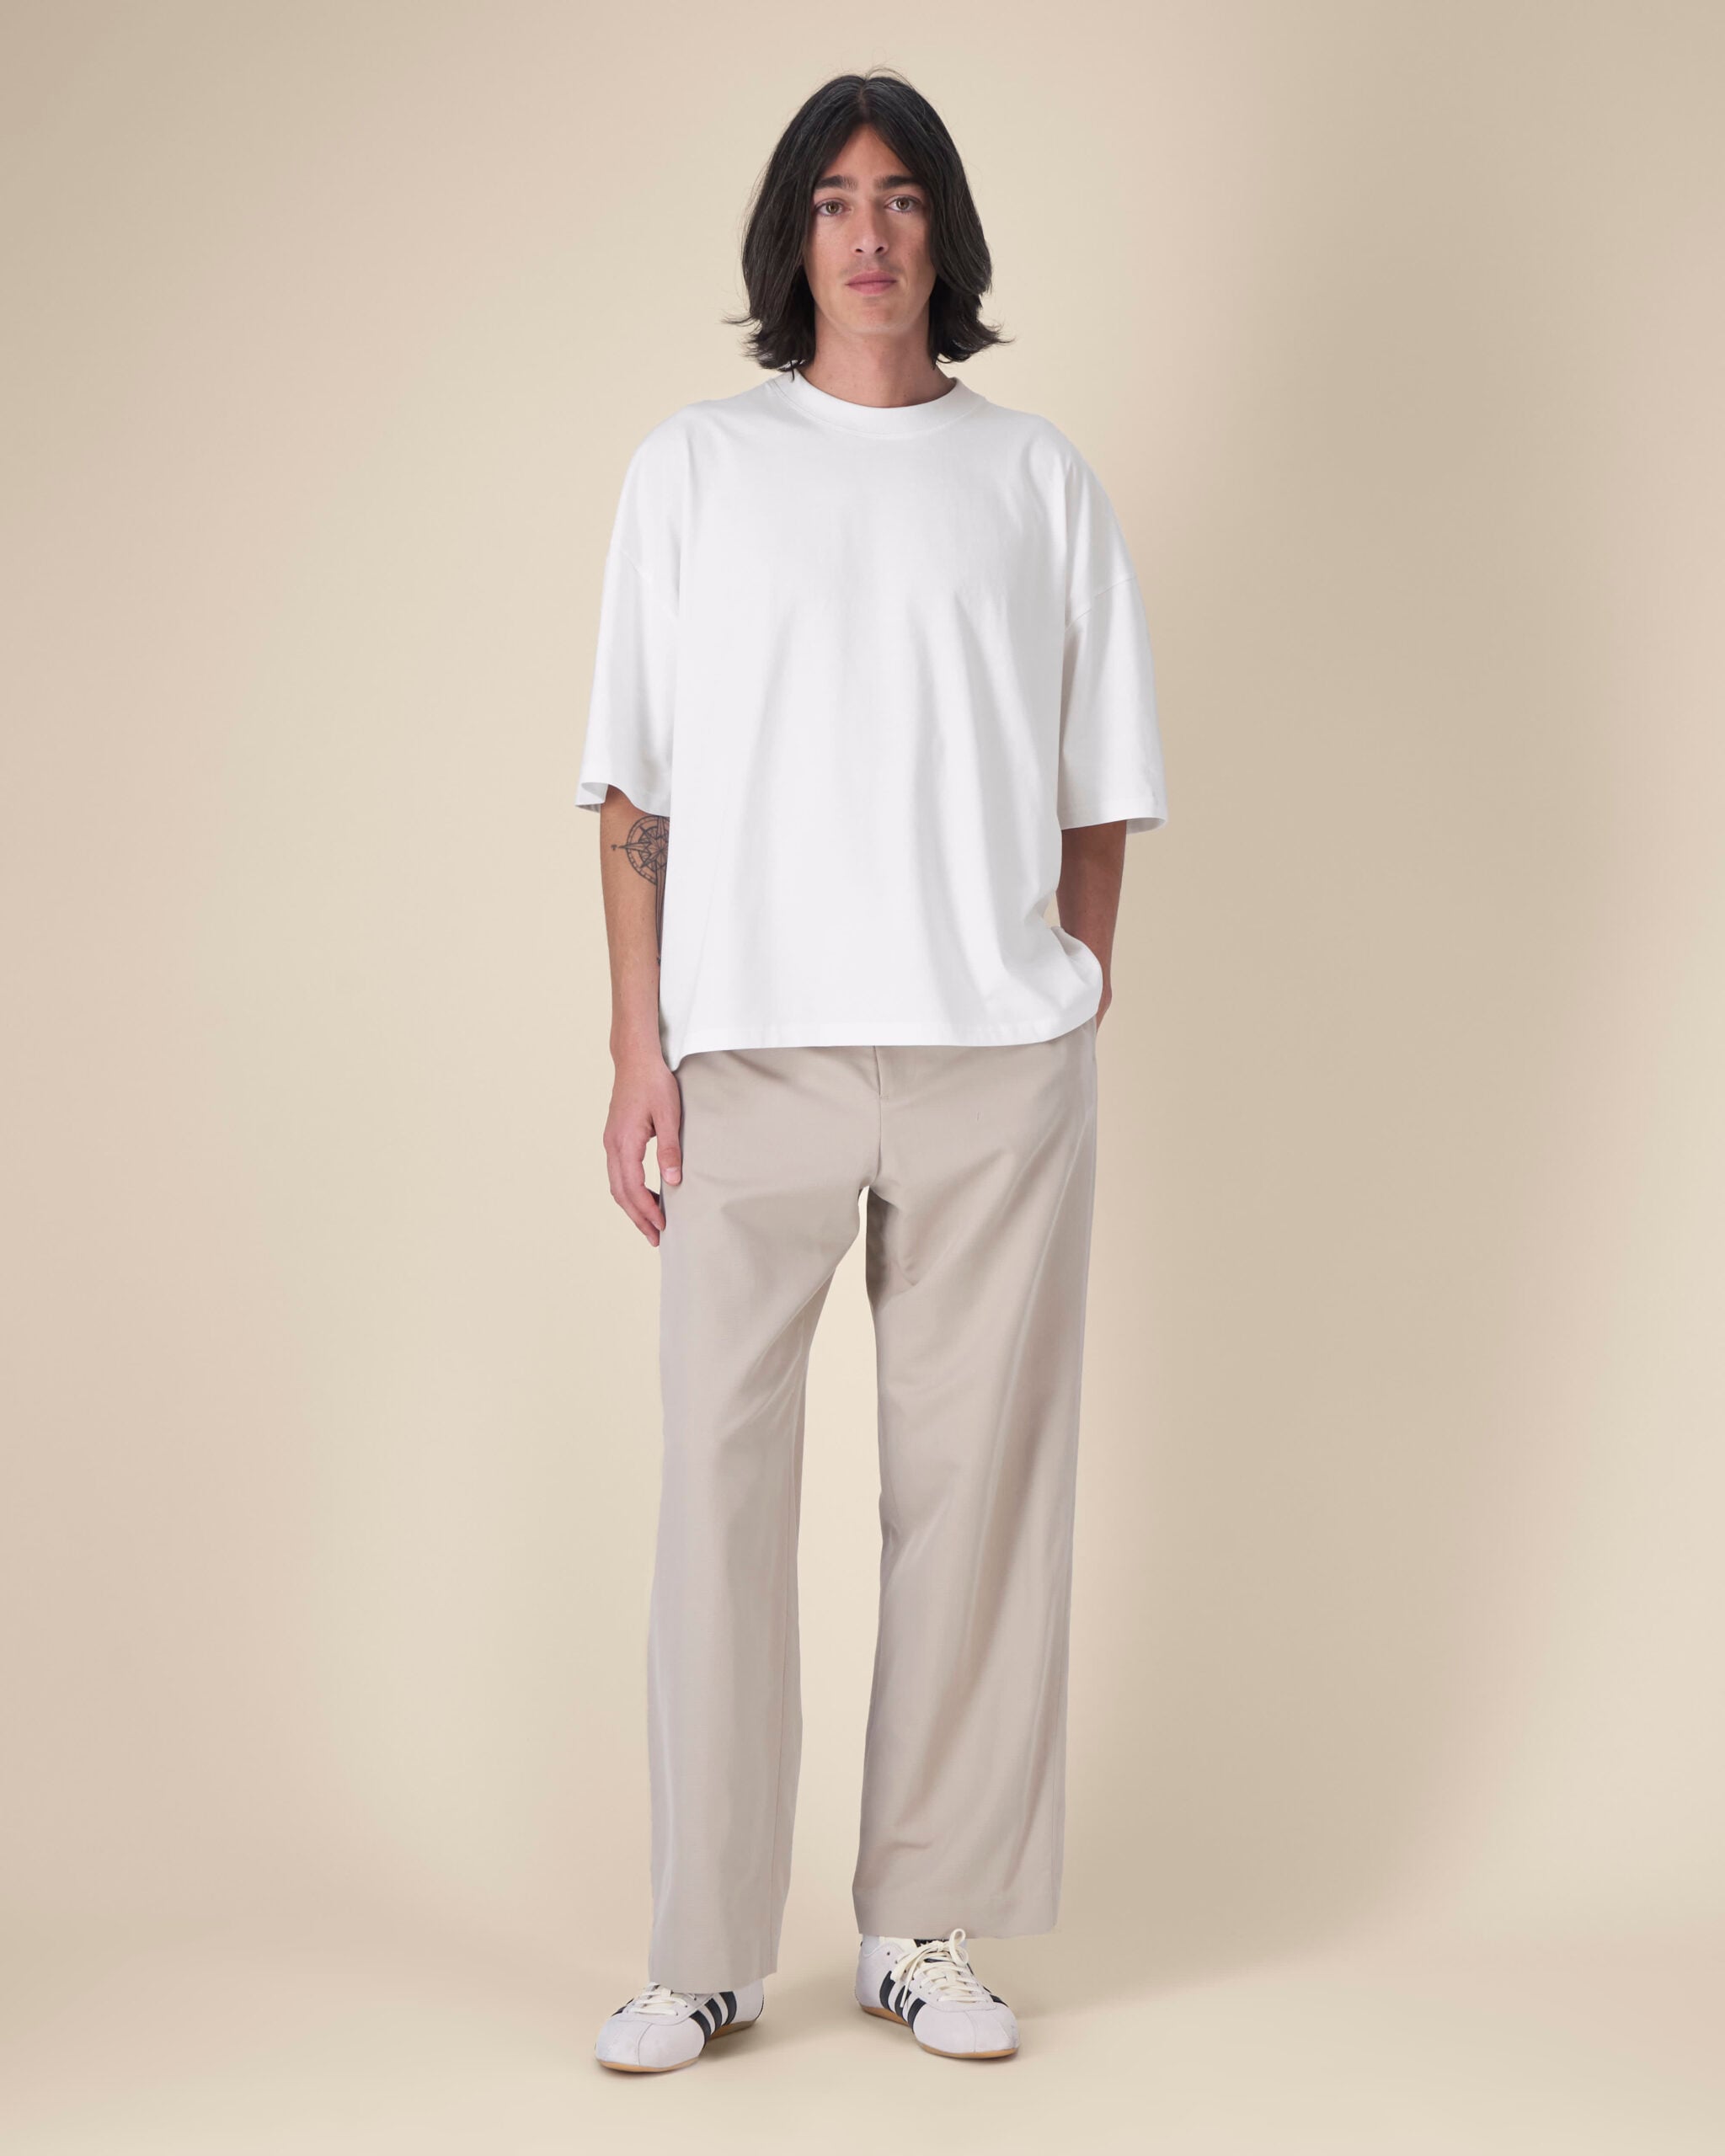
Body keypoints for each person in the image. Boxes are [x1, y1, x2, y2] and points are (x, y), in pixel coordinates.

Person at [579, 68, 1167, 2073]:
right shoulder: (697, 467)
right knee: (717, 1491)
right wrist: (637, 1042)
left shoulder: (1034, 478)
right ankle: (703, 1947)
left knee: (975, 1497)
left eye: (902, 195)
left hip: (994, 1061)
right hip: (749, 1050)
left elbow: (1101, 779)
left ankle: (923, 1921)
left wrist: (1072, 990)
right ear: (791, 237)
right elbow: (635, 782)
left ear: (944, 233)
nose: (868, 231)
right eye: (833, 198)